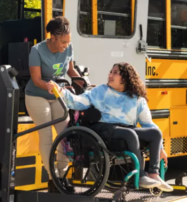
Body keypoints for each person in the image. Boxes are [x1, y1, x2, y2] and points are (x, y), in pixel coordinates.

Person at [46, 62, 173, 192]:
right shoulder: (100, 91)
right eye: (110, 72)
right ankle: (141, 176)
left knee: (155, 133)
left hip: (125, 130)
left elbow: (148, 123)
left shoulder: (136, 98)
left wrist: (160, 148)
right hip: (103, 130)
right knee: (130, 134)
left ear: (125, 78)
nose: (110, 75)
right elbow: (77, 102)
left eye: (115, 73)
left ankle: (153, 174)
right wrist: (60, 91)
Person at [25, 16, 82, 193]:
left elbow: (71, 70)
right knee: (47, 136)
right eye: (63, 42)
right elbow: (36, 80)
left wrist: (83, 82)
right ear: (53, 38)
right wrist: (49, 85)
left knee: (64, 135)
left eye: (68, 42)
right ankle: (54, 178)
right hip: (37, 95)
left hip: (58, 94)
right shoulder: (37, 50)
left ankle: (63, 175)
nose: (66, 45)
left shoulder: (69, 47)